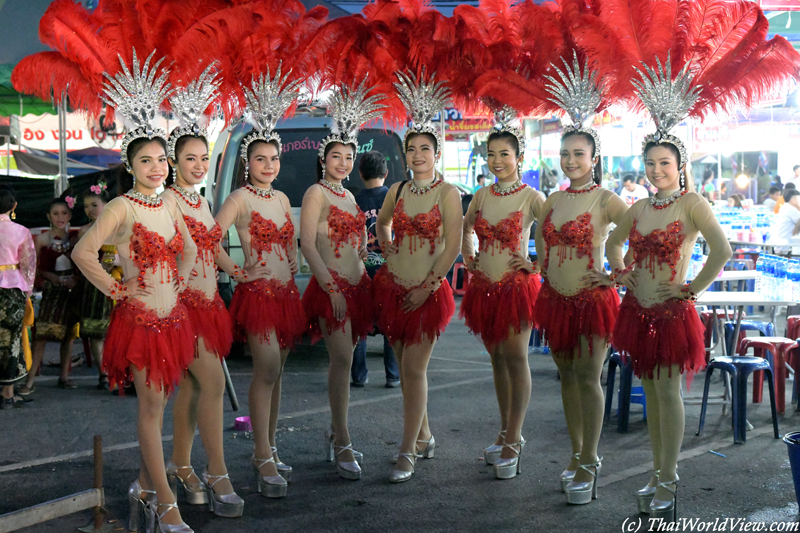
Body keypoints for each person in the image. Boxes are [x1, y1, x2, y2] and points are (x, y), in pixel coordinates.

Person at [72, 53, 199, 532]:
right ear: (129, 164)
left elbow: (187, 250)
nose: (157, 167)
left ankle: (145, 486)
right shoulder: (121, 209)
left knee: (162, 404)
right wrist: (116, 289)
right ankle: (166, 502)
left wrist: (180, 286)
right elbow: (85, 251)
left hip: (173, 319)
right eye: (145, 160)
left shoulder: (169, 201)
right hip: (141, 320)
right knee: (150, 408)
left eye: (161, 159)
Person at [534, 58, 628, 505]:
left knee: (589, 379)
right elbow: (538, 241)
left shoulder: (607, 199)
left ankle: (591, 460)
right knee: (567, 378)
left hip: (592, 300)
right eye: (566, 154)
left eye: (579, 154)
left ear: (594, 159)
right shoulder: (551, 200)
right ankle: (576, 454)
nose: (571, 161)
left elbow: (641, 231)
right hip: (554, 299)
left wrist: (616, 270)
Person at [160, 69, 245, 517]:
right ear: (173, 161)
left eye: (202, 158)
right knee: (210, 383)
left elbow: (211, 245)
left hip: (210, 301)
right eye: (189, 158)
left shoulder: (200, 199)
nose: (197, 164)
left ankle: (178, 465)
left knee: (192, 391)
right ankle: (217, 471)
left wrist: (238, 270)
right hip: (182, 305)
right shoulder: (170, 200)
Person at [216, 73, 305, 498]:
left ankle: (268, 449)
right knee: (266, 368)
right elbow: (208, 239)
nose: (268, 166)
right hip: (259, 294)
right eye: (260, 159)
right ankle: (261, 454)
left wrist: (292, 258)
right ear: (247, 164)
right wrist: (236, 272)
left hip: (287, 294)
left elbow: (289, 240)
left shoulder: (284, 199)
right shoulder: (239, 198)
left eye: (273, 159)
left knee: (279, 372)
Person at [374, 72, 462, 483]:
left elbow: (452, 246)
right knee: (406, 368)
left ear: (436, 153)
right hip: (393, 288)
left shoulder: (448, 193)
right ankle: (424, 435)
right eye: (412, 149)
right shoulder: (397, 190)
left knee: (412, 370)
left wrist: (428, 286)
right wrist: (386, 244)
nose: (418, 155)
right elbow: (383, 224)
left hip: (427, 293)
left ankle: (406, 451)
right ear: (405, 155)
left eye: (425, 148)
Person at [300, 83, 379, 481]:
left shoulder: (350, 197)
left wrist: (363, 251)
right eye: (337, 156)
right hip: (330, 289)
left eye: (349, 157)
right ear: (324, 158)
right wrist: (330, 288)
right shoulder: (317, 192)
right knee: (343, 360)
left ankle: (337, 433)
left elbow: (357, 239)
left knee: (346, 360)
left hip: (357, 284)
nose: (344, 162)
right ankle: (342, 437)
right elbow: (306, 242)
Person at [461, 118, 544, 480]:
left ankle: (514, 438)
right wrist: (468, 258)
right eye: (492, 154)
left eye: (504, 154)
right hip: (484, 287)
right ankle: (504, 429)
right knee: (496, 358)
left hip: (516, 287)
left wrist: (537, 264)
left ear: (519, 156)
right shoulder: (481, 195)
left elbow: (553, 231)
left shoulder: (532, 196)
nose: (497, 161)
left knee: (515, 356)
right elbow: (465, 228)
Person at [17, 196, 80, 394]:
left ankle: (64, 376)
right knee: (42, 334)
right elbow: (33, 267)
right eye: (55, 214)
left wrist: (76, 280)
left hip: (72, 288)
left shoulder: (76, 238)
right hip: (52, 290)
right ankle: (30, 380)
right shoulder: (42, 239)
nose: (60, 217)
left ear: (69, 215)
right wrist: (48, 276)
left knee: (69, 334)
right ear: (48, 216)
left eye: (63, 213)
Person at [351, 151, 400, 388]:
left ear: (360, 173)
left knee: (360, 325)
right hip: (389, 272)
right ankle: (393, 375)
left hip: (361, 271)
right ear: (386, 173)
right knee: (390, 324)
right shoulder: (394, 199)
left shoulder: (353, 201)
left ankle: (359, 375)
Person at [77, 182, 116, 390]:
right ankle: (104, 373)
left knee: (115, 330)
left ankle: (117, 371)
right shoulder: (84, 231)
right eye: (86, 206)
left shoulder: (115, 228)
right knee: (95, 331)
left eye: (94, 205)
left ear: (106, 204)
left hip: (114, 283)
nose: (89, 210)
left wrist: (108, 267)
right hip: (92, 285)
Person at [0, 185, 35, 408]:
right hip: (12, 290)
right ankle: (7, 393)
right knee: (11, 342)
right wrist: (28, 290)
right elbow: (28, 265)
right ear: (13, 206)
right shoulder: (21, 231)